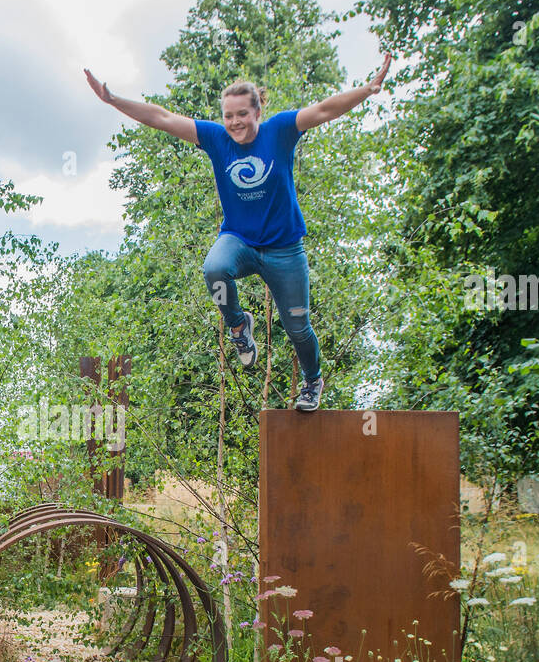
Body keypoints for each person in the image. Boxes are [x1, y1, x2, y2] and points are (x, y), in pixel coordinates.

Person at [84, 55, 392, 411]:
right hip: (240, 241)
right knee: (214, 268)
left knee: (297, 328)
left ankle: (312, 380)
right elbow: (162, 118)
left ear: (257, 112)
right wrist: (112, 99)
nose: (234, 123)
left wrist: (367, 90)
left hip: (284, 250)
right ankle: (239, 327)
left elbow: (325, 110)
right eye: (228, 116)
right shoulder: (216, 139)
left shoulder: (281, 130)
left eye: (242, 114)